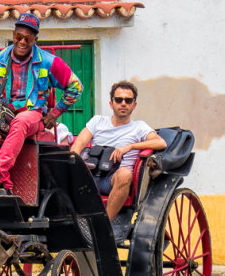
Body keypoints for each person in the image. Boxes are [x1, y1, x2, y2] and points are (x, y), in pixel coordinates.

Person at [0, 13, 83, 194]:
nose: (22, 42)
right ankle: (5, 186)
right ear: (13, 35)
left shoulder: (50, 62)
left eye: (28, 38)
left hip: (33, 113)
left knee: (21, 122)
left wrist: (55, 113)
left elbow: (76, 87)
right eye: (19, 37)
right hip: (4, 112)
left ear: (35, 39)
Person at [70, 80, 167, 220]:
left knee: (125, 174)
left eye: (128, 100)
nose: (123, 103)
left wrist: (130, 146)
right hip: (89, 174)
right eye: (119, 99)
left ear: (134, 105)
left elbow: (160, 142)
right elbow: (80, 141)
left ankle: (105, 225)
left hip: (112, 181)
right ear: (111, 103)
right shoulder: (98, 121)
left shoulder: (139, 127)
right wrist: (73, 160)